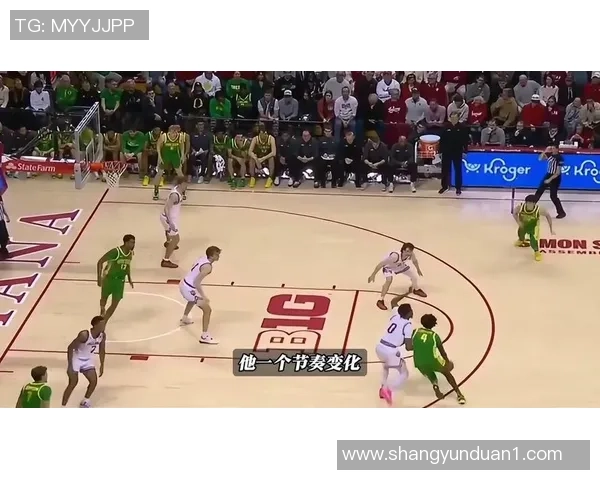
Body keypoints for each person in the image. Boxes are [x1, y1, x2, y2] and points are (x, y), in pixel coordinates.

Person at [412, 313, 466, 405]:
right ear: (433, 324)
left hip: (418, 361)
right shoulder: (434, 336)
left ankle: (435, 385)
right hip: (433, 360)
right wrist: (447, 362)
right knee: (447, 373)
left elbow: (410, 346)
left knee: (428, 371)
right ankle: (459, 394)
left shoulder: (415, 332)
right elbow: (442, 352)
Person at [375, 290, 414, 406]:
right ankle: (388, 389)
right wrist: (417, 347)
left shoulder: (396, 314)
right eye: (411, 310)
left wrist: (406, 293)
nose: (412, 312)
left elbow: (393, 301)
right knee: (404, 373)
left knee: (386, 367)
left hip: (380, 347)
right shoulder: (408, 325)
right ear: (408, 313)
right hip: (390, 351)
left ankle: (382, 389)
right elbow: (408, 347)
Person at [178, 246, 222, 345]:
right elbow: (197, 282)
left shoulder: (203, 258)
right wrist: (203, 296)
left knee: (193, 299)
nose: (218, 256)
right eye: (216, 254)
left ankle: (185, 318)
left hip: (184, 283)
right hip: (188, 288)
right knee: (207, 310)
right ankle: (204, 336)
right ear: (211, 256)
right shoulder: (208, 267)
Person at [61, 316, 106, 408]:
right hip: (76, 358)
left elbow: (102, 350)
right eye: (102, 324)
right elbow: (70, 347)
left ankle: (85, 401)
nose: (104, 326)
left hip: (88, 360)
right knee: (73, 383)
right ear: (95, 325)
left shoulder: (102, 335)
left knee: (93, 381)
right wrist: (70, 365)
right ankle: (63, 406)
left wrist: (102, 364)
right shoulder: (84, 335)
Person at [368, 242, 426, 310]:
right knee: (389, 280)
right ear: (403, 250)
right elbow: (381, 264)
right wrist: (373, 274)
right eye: (407, 251)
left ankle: (416, 290)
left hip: (399, 265)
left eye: (411, 251)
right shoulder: (394, 256)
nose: (409, 253)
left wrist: (418, 269)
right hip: (389, 267)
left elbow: (415, 261)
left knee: (414, 276)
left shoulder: (411, 254)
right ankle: (380, 300)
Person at [96, 234, 135, 322]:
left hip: (120, 281)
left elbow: (127, 266)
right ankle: (102, 308)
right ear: (126, 243)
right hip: (109, 279)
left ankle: (104, 321)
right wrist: (99, 278)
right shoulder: (115, 252)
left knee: (115, 303)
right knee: (104, 298)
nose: (133, 244)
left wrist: (129, 278)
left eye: (134, 242)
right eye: (131, 242)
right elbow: (100, 262)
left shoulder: (130, 253)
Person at [513, 194, 555, 261]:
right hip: (524, 225)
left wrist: (551, 229)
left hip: (534, 227)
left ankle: (537, 252)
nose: (529, 205)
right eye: (528, 203)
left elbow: (548, 216)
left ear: (534, 203)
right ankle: (521, 240)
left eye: (531, 203)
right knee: (520, 233)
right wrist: (518, 222)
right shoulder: (520, 207)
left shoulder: (539, 209)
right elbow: (514, 213)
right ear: (525, 202)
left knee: (533, 241)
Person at [438, 112, 469, 195]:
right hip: (446, 151)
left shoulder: (462, 128)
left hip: (457, 152)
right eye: (452, 118)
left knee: (458, 170)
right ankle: (444, 186)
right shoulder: (445, 127)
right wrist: (440, 151)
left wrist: (465, 151)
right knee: (445, 170)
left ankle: (458, 188)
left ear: (458, 118)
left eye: (455, 118)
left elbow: (465, 141)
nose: (453, 119)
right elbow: (442, 140)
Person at [160, 176, 187, 268]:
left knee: (168, 232)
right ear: (180, 184)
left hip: (168, 218)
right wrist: (170, 222)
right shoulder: (175, 195)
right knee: (176, 239)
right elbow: (166, 208)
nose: (186, 186)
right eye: (185, 184)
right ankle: (165, 260)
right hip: (168, 219)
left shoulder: (178, 190)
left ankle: (168, 242)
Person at [153, 124, 185, 201]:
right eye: (173, 132)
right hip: (165, 156)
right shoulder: (164, 136)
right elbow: (158, 146)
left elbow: (182, 146)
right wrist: (159, 156)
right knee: (159, 173)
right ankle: (156, 191)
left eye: (176, 132)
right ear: (169, 131)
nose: (175, 133)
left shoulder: (180, 136)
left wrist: (182, 155)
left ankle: (182, 191)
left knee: (180, 174)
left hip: (175, 156)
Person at [534, 145, 566, 219]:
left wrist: (549, 180)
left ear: (557, 149)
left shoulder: (560, 158)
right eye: (551, 148)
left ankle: (561, 212)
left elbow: (558, 172)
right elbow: (540, 159)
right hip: (548, 174)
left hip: (555, 177)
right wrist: (545, 151)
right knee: (539, 191)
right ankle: (530, 208)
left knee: (553, 196)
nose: (552, 149)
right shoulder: (550, 155)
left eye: (554, 148)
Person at [0, 195, 9, 259]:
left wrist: (7, 216)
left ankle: (3, 248)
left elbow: (3, 209)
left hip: (1, 222)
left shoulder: (0, 203)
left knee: (5, 236)